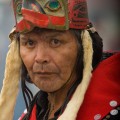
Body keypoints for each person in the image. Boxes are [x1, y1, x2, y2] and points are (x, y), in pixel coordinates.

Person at [0, 0, 120, 120]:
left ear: (84, 46)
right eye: (30, 43)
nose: (40, 58)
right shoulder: (32, 113)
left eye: (55, 42)